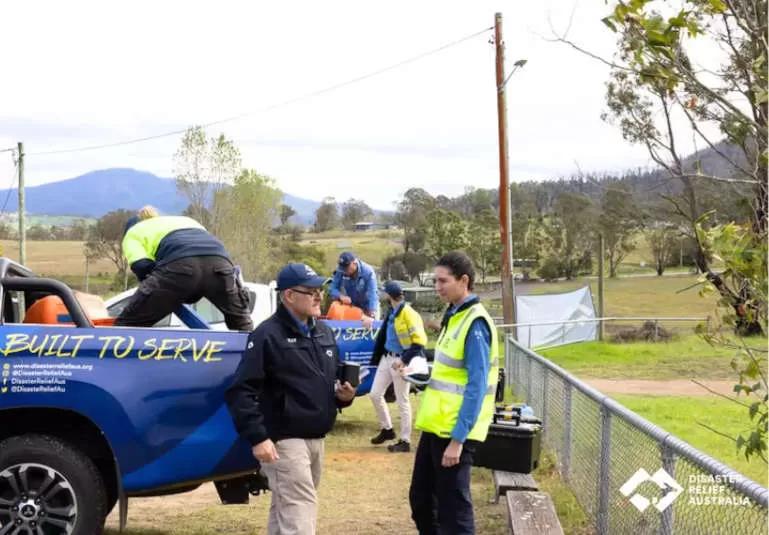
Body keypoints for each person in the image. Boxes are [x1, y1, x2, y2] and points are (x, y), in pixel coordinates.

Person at [225, 262, 356, 535]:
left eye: (320, 290)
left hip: (318, 438)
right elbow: (240, 390)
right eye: (310, 291)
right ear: (289, 295)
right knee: (299, 512)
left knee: (287, 509)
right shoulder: (266, 335)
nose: (319, 296)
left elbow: (327, 382)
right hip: (284, 441)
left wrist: (344, 396)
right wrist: (258, 437)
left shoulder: (325, 332)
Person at [409, 251, 499, 535]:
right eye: (435, 281)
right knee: (422, 500)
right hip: (436, 427)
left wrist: (458, 440)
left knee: (454, 511)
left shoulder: (475, 323)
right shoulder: (454, 314)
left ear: (464, 280)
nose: (437, 287)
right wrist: (421, 376)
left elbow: (476, 385)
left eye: (443, 281)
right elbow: (449, 373)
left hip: (455, 432)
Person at [114, 207, 253, 331]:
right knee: (242, 324)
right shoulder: (186, 220)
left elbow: (141, 265)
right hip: (220, 263)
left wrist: (159, 286)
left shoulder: (133, 232)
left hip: (179, 264)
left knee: (126, 326)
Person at [368, 281, 427, 453]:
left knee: (402, 401)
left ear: (389, 295)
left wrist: (405, 360)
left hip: (401, 361)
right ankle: (387, 429)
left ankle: (405, 440)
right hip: (387, 358)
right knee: (374, 394)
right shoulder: (392, 312)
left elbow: (419, 342)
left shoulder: (409, 314)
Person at [328, 251, 379, 327]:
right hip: (352, 307)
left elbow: (373, 294)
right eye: (342, 268)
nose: (344, 271)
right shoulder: (340, 270)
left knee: (371, 327)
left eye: (346, 268)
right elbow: (332, 288)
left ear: (354, 264)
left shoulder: (368, 272)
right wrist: (340, 296)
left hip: (368, 306)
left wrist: (371, 315)